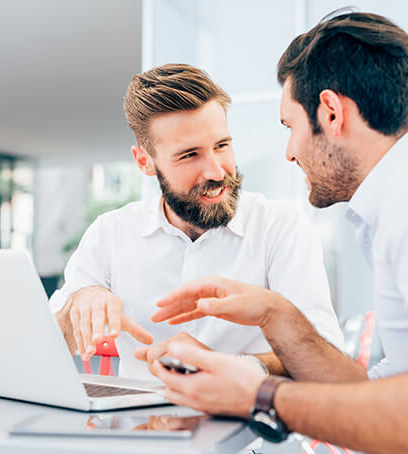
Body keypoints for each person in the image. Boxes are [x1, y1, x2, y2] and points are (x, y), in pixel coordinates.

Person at [145, 11, 408, 452]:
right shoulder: (407, 196)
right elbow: (367, 393)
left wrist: (261, 397)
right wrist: (275, 315)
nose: (288, 153)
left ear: (330, 113)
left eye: (291, 127)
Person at [50, 63, 344, 380]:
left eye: (222, 145)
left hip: (251, 425)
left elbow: (325, 355)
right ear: (144, 162)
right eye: (189, 155)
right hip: (140, 427)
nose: (217, 172)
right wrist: (78, 304)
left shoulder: (279, 227)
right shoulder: (109, 234)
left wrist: (229, 365)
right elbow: (45, 347)